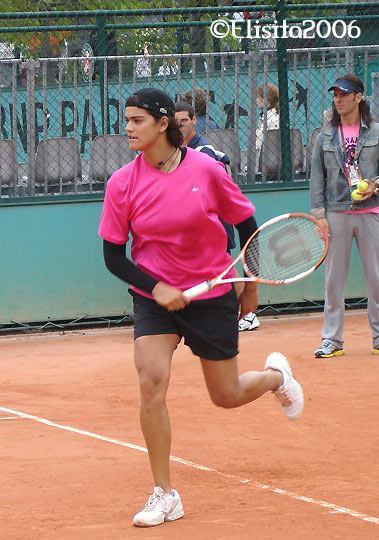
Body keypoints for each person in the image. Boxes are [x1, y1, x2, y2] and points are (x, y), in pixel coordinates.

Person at [98, 87, 304, 528]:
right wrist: (156, 288)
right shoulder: (122, 183)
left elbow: (247, 227)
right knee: (151, 381)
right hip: (156, 299)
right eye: (127, 120)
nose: (128, 127)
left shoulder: (207, 170)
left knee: (225, 396)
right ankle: (165, 494)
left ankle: (275, 377)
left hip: (211, 295)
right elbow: (114, 257)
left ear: (161, 123)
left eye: (137, 120)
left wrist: (247, 281)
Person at [310, 73, 379, 358]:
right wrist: (319, 215)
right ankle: (332, 341)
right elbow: (316, 179)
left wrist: (376, 184)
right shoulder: (324, 135)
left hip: (371, 211)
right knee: (333, 281)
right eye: (335, 94)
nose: (338, 99)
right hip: (336, 213)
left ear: (358, 97)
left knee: (376, 278)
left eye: (344, 94)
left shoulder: (376, 131)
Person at [174, 101, 260, 331]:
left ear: (194, 120)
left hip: (215, 222)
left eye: (184, 121)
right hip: (195, 224)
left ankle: (248, 314)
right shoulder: (174, 152)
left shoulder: (204, 152)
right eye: (176, 122)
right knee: (222, 272)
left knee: (225, 271)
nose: (180, 126)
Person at [256, 83, 280, 172]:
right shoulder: (275, 117)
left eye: (258, 97)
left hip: (268, 163)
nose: (256, 100)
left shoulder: (270, 121)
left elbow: (259, 146)